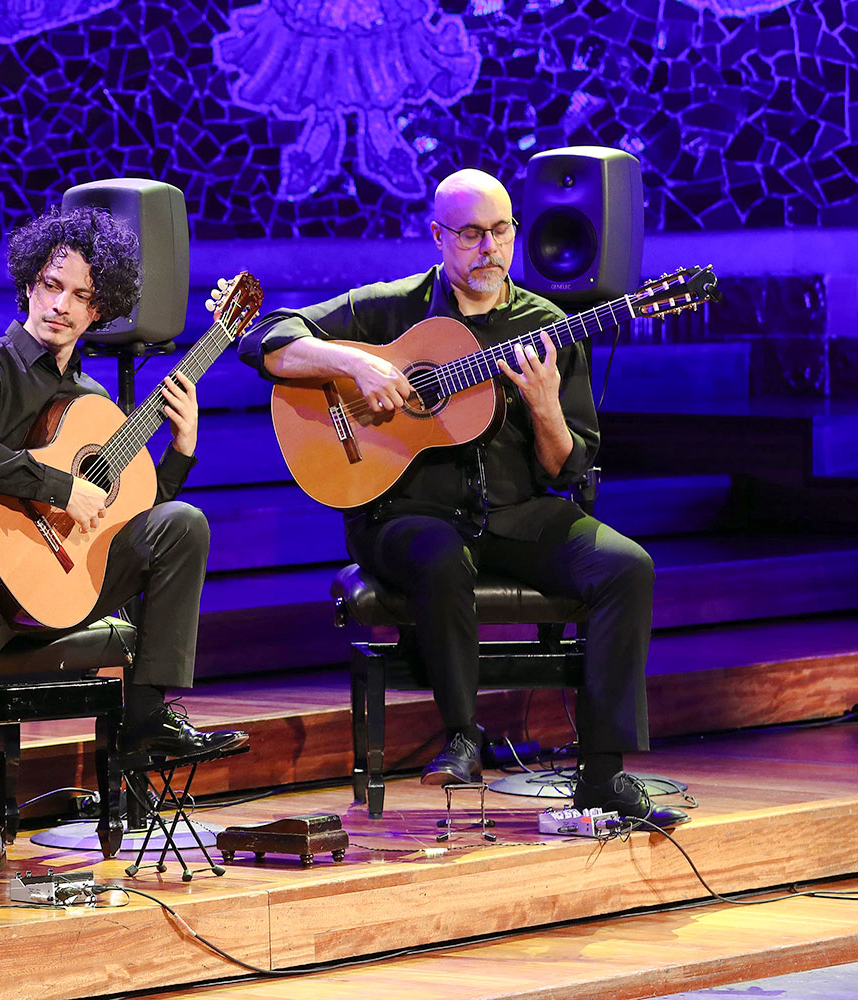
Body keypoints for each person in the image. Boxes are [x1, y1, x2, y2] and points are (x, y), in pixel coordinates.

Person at [237, 168, 686, 827]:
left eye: (501, 231)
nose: (489, 249)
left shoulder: (548, 325)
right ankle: (463, 737)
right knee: (440, 552)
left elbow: (571, 468)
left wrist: (544, 411)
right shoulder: (393, 307)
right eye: (471, 234)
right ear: (438, 237)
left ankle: (604, 775)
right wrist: (354, 363)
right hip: (403, 513)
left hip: (518, 513)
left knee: (627, 566)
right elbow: (266, 338)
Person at [0, 206, 249, 898]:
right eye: (50, 285)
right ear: (28, 286)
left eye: (80, 295)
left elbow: (130, 515)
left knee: (182, 522)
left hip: (64, 580)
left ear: (102, 310)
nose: (60, 305)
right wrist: (58, 486)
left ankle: (146, 719)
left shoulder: (96, 404)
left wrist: (180, 455)